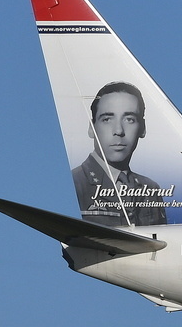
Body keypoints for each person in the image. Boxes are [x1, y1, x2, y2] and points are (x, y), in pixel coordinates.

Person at [71, 81, 168, 226]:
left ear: (142, 128)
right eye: (107, 119)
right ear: (92, 128)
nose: (119, 130)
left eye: (129, 119)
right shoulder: (75, 183)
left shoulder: (150, 188)